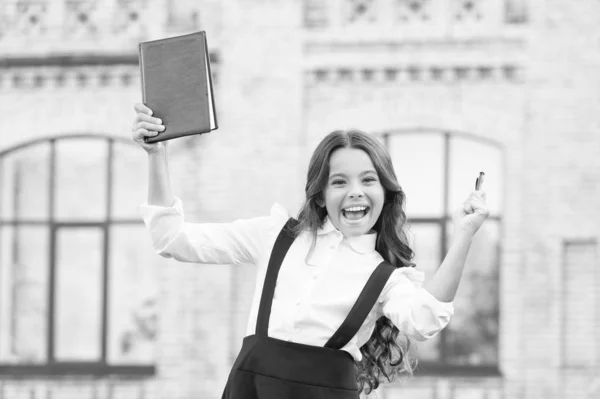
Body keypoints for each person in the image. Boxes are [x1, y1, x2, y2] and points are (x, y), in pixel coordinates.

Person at [131, 102, 490, 398]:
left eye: (368, 180)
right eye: (339, 182)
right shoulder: (275, 237)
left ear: (386, 193)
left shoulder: (385, 278)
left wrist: (465, 235)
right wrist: (155, 155)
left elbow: (425, 320)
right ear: (319, 193)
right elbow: (171, 238)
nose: (355, 192)